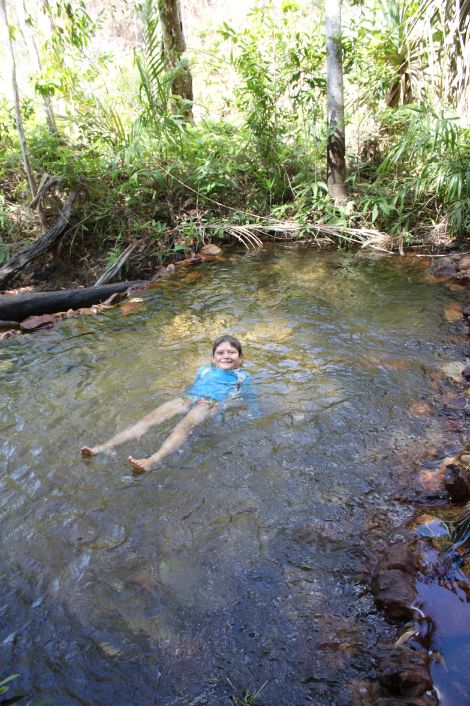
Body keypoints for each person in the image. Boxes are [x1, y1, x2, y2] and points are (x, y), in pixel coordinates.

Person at [81, 334, 256, 473]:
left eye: (231, 352)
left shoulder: (242, 376)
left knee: (182, 427)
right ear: (213, 358)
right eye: (220, 352)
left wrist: (254, 414)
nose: (226, 356)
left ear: (240, 358)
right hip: (189, 398)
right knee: (147, 420)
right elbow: (194, 386)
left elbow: (248, 396)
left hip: (209, 403)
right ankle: (103, 447)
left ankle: (151, 460)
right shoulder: (204, 370)